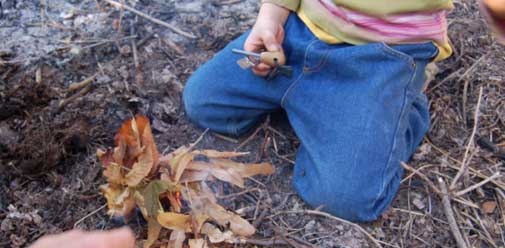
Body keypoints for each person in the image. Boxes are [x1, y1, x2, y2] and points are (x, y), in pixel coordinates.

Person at [183, 0, 505, 222]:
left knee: (342, 198)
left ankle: (401, 105)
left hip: (383, 54)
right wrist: (271, 17)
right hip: (300, 31)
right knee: (204, 103)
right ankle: (314, 102)